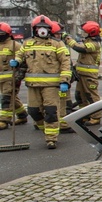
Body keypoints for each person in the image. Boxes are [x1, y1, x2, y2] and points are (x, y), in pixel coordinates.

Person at [12, 15, 72, 149]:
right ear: (34, 29)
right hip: (33, 85)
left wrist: (64, 81)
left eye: (45, 28)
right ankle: (46, 129)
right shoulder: (27, 43)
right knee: (33, 111)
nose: (42, 30)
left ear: (49, 30)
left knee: (51, 111)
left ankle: (51, 138)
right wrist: (16, 61)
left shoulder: (57, 44)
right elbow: (21, 55)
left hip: (51, 85)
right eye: (39, 28)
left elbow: (65, 63)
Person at [64, 21, 102, 125]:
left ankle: (96, 117)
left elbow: (79, 48)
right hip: (82, 74)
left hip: (89, 76)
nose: (83, 33)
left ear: (91, 33)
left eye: (85, 32)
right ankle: (84, 115)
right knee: (80, 96)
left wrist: (67, 39)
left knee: (91, 96)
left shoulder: (94, 44)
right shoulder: (89, 41)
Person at [0, 22, 29, 130]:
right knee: (12, 97)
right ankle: (22, 115)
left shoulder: (15, 45)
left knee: (6, 98)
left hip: (11, 78)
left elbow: (23, 60)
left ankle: (4, 120)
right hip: (1, 78)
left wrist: (19, 75)